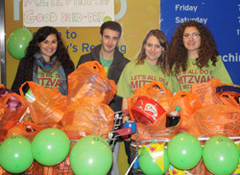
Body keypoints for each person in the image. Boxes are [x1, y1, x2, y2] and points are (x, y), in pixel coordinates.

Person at [117, 29, 177, 167]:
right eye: (149, 45)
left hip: (158, 133)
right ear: (144, 46)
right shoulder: (131, 67)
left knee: (156, 167)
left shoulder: (167, 72)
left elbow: (172, 103)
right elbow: (125, 97)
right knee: (135, 167)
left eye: (157, 46)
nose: (152, 50)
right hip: (135, 131)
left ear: (163, 49)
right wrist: (126, 121)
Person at [77, 21, 130, 175]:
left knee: (110, 162)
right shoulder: (85, 60)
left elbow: (125, 96)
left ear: (118, 40)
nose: (110, 42)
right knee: (87, 161)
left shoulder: (125, 65)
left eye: (114, 38)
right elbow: (77, 91)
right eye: (107, 37)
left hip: (112, 123)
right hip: (88, 120)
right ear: (100, 36)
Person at [168, 20, 232, 92]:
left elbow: (226, 88)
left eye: (195, 35)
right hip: (184, 103)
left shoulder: (213, 60)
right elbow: (174, 93)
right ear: (181, 39)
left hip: (209, 103)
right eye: (186, 35)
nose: (190, 39)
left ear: (202, 37)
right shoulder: (176, 64)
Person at [11, 26, 75, 96]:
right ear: (38, 44)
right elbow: (16, 91)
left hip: (60, 106)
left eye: (53, 42)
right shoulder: (27, 63)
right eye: (46, 42)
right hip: (33, 106)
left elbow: (74, 91)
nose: (50, 46)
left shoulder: (66, 64)